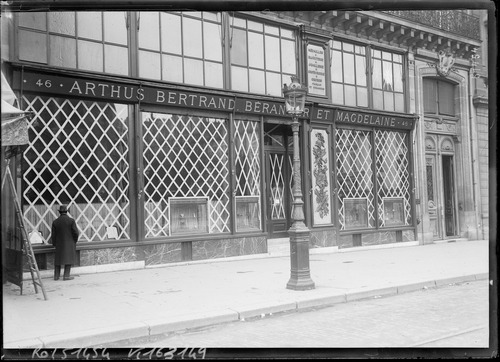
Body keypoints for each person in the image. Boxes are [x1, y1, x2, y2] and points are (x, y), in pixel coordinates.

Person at [51, 204, 79, 281]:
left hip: (59, 243)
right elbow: (76, 232)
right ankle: (66, 276)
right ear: (67, 212)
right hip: (69, 243)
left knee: (58, 259)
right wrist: (74, 240)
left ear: (59, 212)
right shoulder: (71, 221)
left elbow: (53, 235)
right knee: (68, 259)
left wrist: (54, 243)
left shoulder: (55, 222)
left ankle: (56, 276)